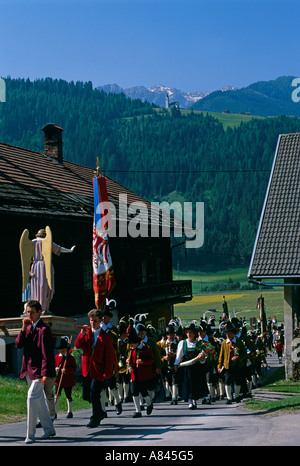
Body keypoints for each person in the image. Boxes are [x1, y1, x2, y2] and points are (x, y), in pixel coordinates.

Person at [15, 300, 56, 444]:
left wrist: (45, 373)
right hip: (28, 370)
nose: (29, 314)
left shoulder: (43, 330)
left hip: (39, 372)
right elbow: (18, 344)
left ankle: (30, 435)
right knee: (39, 403)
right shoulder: (27, 327)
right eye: (27, 312)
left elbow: (47, 354)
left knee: (31, 398)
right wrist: (22, 328)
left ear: (39, 312)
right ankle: (49, 430)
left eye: (32, 312)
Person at [74, 308, 116, 428]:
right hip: (87, 368)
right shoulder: (87, 333)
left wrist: (107, 374)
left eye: (95, 321)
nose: (93, 323)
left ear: (100, 321)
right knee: (88, 395)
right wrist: (81, 333)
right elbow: (77, 345)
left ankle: (95, 418)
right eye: (91, 321)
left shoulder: (106, 337)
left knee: (94, 392)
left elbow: (110, 357)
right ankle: (101, 412)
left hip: (99, 370)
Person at [21, 228, 76, 313]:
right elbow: (60, 249)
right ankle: (44, 308)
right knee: (45, 287)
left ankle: (36, 309)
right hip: (45, 266)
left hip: (35, 266)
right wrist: (70, 250)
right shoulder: (47, 241)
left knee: (35, 287)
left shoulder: (32, 242)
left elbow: (26, 256)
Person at [174, 323, 207, 409]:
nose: (189, 334)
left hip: (196, 368)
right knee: (187, 384)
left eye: (191, 332)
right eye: (187, 332)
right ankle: (190, 401)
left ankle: (194, 400)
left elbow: (203, 356)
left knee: (195, 384)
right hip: (186, 367)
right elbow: (178, 355)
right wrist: (176, 364)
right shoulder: (182, 343)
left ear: (194, 333)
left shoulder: (199, 344)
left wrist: (202, 357)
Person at [126, 328, 155, 418]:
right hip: (135, 374)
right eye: (130, 344)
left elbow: (152, 360)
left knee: (143, 392)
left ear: (137, 343)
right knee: (134, 392)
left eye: (133, 344)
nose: (131, 345)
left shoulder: (145, 349)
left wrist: (143, 361)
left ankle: (149, 403)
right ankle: (138, 411)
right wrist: (129, 365)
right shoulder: (132, 350)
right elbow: (130, 360)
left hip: (143, 374)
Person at [217, 321, 247, 404]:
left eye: (229, 334)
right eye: (226, 334)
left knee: (237, 381)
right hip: (227, 365)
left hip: (237, 365)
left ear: (233, 334)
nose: (227, 335)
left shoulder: (239, 342)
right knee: (227, 381)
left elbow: (244, 353)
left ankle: (236, 396)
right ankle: (229, 398)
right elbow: (221, 355)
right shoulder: (224, 343)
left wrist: (238, 357)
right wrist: (219, 366)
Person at [54, 336, 77, 418]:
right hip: (58, 379)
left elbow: (74, 368)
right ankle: (54, 413)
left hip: (68, 380)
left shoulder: (70, 358)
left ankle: (70, 412)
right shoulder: (56, 357)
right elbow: (54, 366)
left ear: (66, 349)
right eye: (60, 350)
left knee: (68, 395)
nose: (61, 351)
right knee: (56, 395)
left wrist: (66, 370)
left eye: (63, 350)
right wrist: (56, 369)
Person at [160, 324, 179, 404]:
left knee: (175, 381)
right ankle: (171, 395)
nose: (171, 336)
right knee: (169, 381)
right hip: (166, 365)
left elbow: (180, 353)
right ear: (167, 335)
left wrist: (174, 355)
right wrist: (164, 358)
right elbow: (159, 355)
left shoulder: (178, 343)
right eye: (169, 334)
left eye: (173, 334)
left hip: (174, 365)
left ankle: (174, 397)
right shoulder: (162, 344)